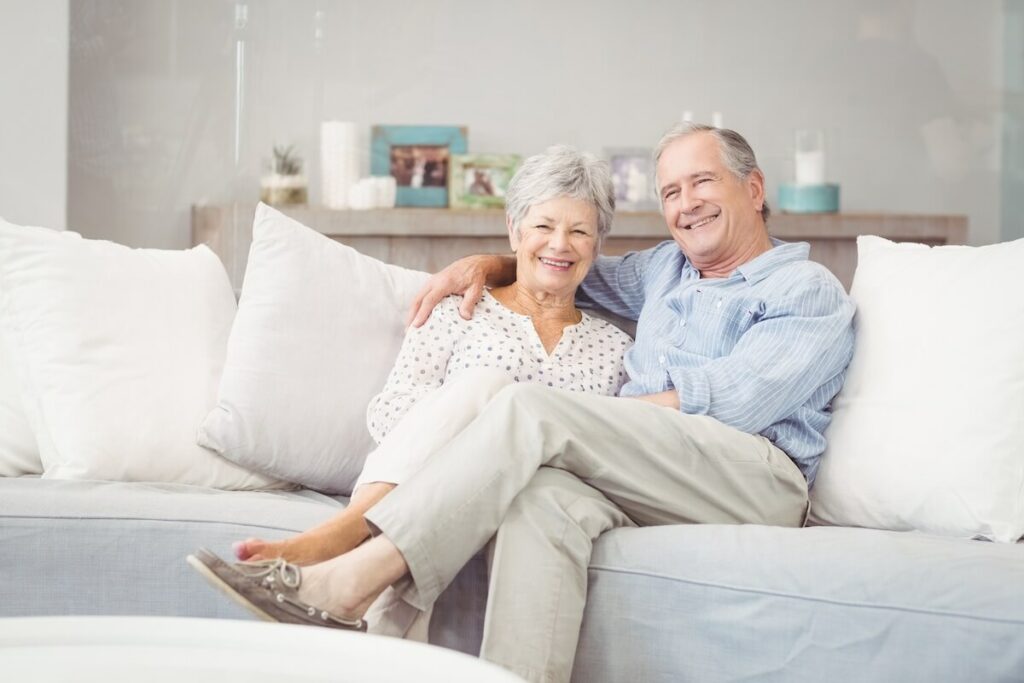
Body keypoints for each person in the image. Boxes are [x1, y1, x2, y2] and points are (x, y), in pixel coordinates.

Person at [189, 122, 856, 683]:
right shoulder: (664, 270)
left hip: (754, 480)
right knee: (542, 502)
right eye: (671, 191)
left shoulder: (805, 289)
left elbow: (734, 402)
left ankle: (351, 573)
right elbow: (563, 261)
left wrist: (597, 420)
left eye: (702, 182)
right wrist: (483, 262)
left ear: (756, 188)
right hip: (656, 474)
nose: (685, 203)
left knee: (531, 407)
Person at [230, 143, 631, 568]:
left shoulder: (615, 349)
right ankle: (354, 534)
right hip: (433, 490)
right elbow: (390, 414)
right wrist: (475, 429)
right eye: (543, 226)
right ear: (514, 230)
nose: (560, 244)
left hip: (534, 508)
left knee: (497, 394)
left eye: (580, 232)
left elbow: (610, 458)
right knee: (486, 388)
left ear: (598, 243)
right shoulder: (459, 310)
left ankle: (344, 540)